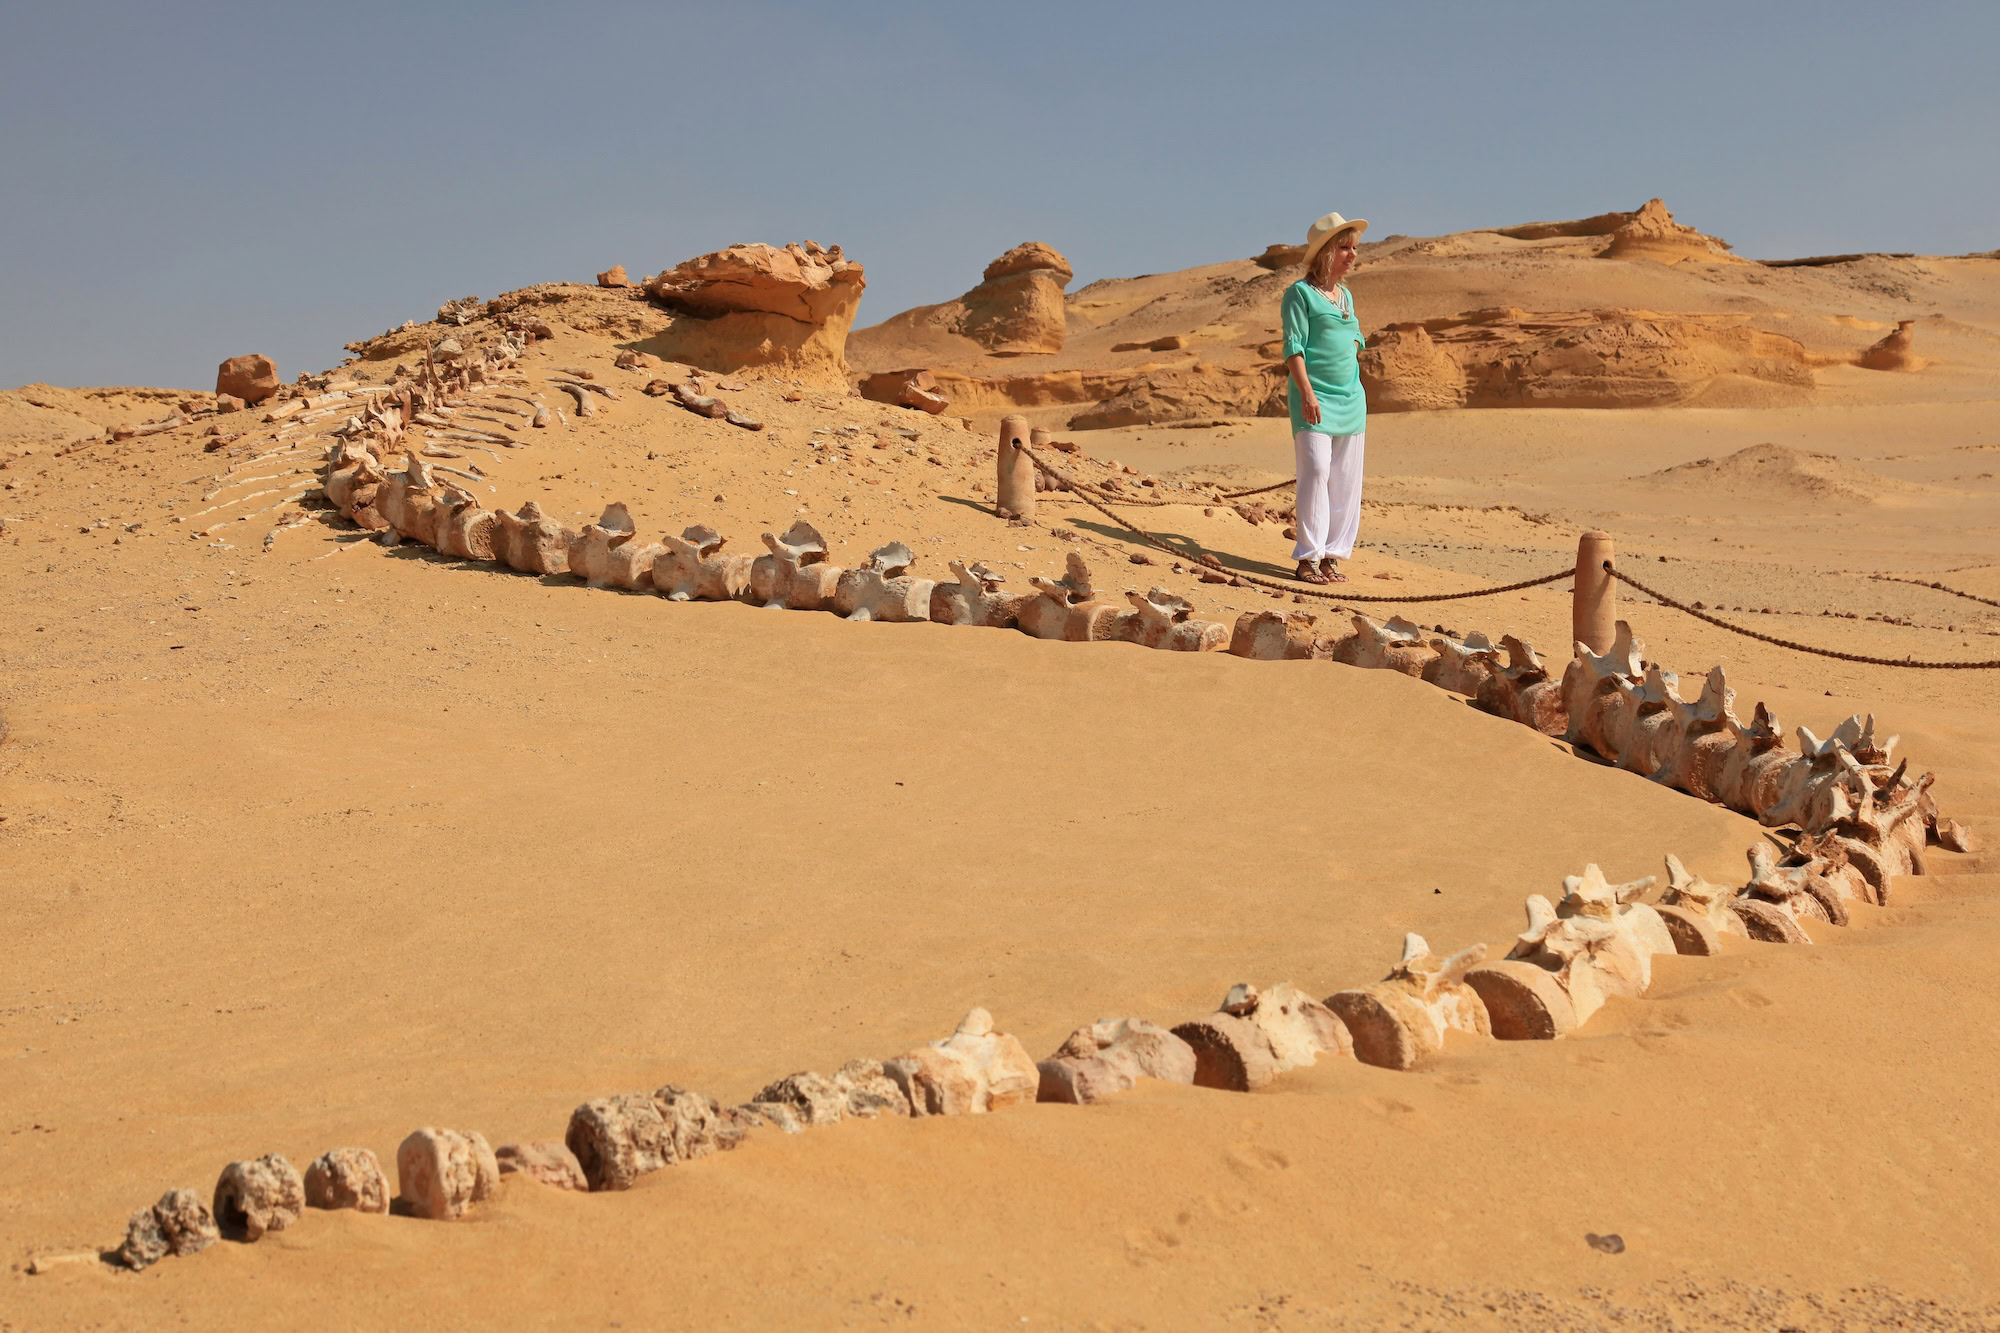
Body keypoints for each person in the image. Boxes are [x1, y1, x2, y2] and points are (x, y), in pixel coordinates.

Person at [1281, 212, 1369, 584]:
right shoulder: (1299, 294)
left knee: (1345, 480)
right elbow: (1293, 349)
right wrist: (1307, 392)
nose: (1352, 255)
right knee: (1316, 470)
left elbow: (1356, 337)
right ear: (1324, 253)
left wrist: (1351, 348)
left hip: (1351, 401)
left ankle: (1333, 556)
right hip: (1313, 399)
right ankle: (1307, 557)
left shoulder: (1345, 296)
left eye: (1353, 248)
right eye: (1344, 248)